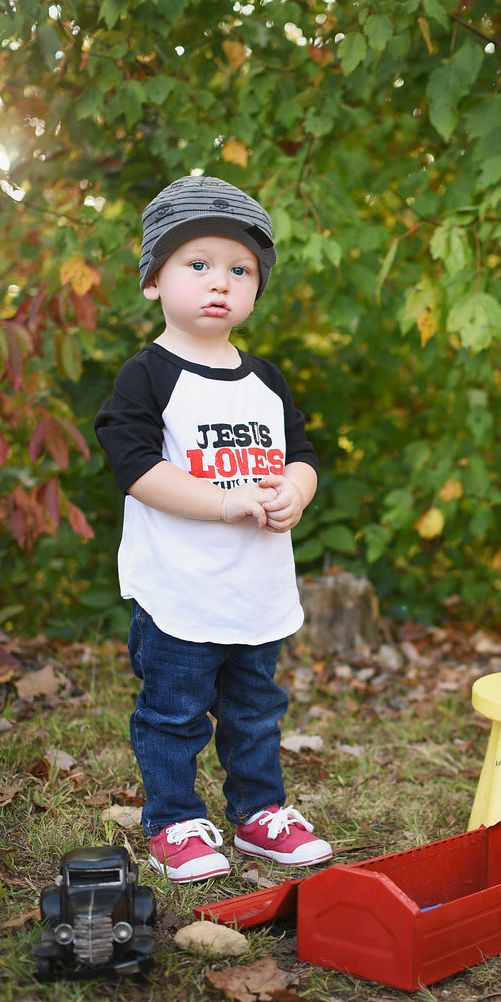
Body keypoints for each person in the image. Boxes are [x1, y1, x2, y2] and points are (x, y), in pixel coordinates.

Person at [94, 175, 332, 883]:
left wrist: (294, 489)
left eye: (239, 268)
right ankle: (175, 820)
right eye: (196, 264)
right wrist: (220, 502)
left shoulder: (264, 380)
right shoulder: (149, 375)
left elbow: (303, 455)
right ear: (152, 280)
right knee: (174, 714)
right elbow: (133, 465)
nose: (218, 282)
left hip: (254, 591)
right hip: (179, 593)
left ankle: (260, 815)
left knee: (256, 710)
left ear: (256, 288)